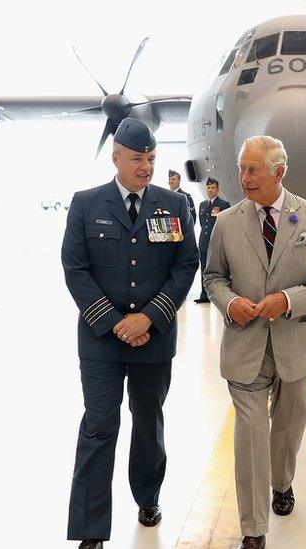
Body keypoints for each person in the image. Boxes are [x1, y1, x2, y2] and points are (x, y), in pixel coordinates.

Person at [62, 118, 199, 549]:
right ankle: (90, 529)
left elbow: (185, 265)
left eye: (152, 159)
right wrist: (113, 322)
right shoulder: (86, 204)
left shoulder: (173, 205)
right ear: (116, 157)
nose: (146, 167)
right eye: (138, 159)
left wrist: (150, 318)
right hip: (101, 341)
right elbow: (75, 269)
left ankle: (148, 496)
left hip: (154, 340)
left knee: (147, 423)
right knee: (99, 426)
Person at [203, 135, 306, 549]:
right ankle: (253, 528)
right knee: (248, 436)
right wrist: (230, 304)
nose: (243, 177)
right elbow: (212, 278)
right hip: (244, 349)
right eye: (242, 168)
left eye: (253, 170)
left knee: (288, 425)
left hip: (295, 345)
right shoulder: (227, 222)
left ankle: (282, 482)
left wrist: (287, 300)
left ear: (280, 172)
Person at [195, 177, 231, 303]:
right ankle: (204, 295)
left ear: (218, 189)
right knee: (204, 268)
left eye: (213, 187)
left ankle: (221, 295)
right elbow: (202, 223)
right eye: (208, 187)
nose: (210, 190)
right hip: (204, 241)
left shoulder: (223, 204)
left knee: (220, 270)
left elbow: (226, 224)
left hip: (217, 242)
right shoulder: (203, 205)